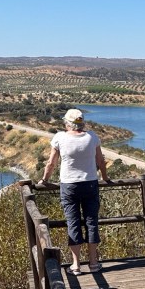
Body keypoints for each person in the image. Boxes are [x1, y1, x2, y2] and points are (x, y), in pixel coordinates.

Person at [37, 108, 110, 274]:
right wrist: (105, 178)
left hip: (69, 185)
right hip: (90, 183)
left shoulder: (60, 138)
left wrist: (44, 180)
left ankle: (76, 265)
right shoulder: (92, 137)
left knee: (73, 222)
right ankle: (93, 262)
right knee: (92, 221)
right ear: (82, 123)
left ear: (67, 123)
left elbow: (51, 163)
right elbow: (100, 161)